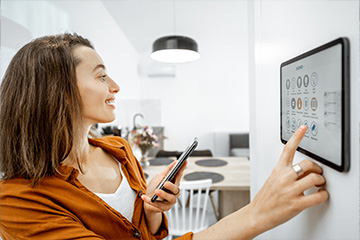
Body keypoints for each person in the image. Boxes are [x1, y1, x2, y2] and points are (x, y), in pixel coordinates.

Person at [0, 33, 329, 240]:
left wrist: (154, 210)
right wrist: (257, 213)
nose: (115, 86)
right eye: (101, 76)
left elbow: (146, 230)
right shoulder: (15, 201)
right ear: (61, 93)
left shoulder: (119, 149)